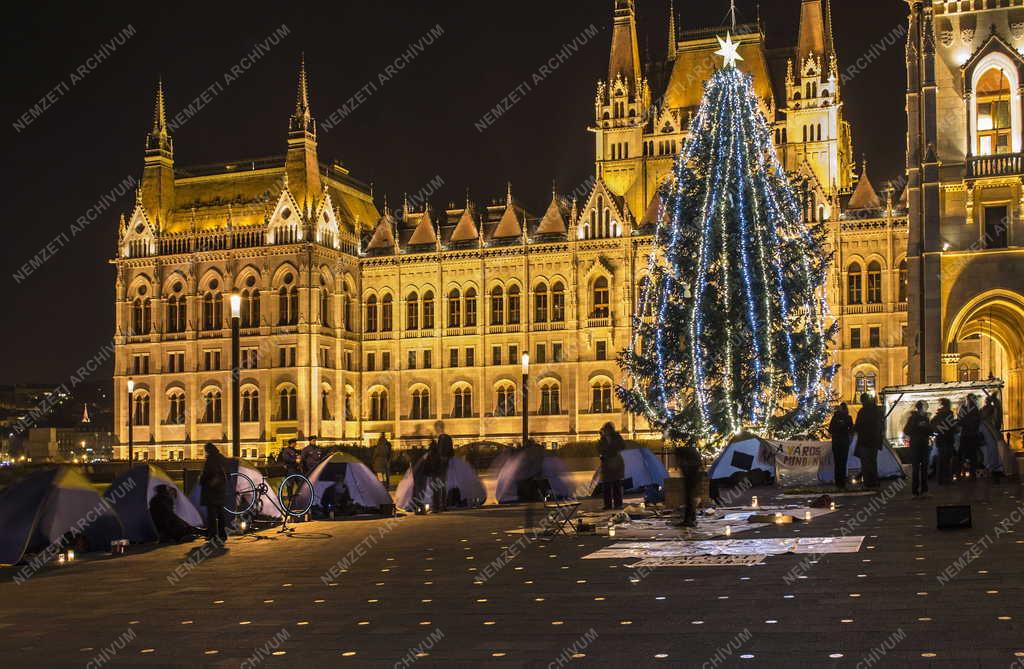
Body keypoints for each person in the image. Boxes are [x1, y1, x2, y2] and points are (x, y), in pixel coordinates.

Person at [199, 442, 229, 545]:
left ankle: (212, 535)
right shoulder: (221, 458)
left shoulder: (210, 460)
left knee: (211, 515)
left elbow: (207, 473)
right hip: (220, 489)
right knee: (220, 514)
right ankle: (222, 534)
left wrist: (201, 480)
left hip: (211, 490)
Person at [904, 401, 934, 497]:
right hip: (919, 444)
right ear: (921, 408)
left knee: (921, 468)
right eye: (925, 407)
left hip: (919, 444)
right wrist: (920, 427)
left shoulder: (921, 418)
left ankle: (919, 491)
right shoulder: (916, 418)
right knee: (919, 468)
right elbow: (907, 430)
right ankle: (918, 491)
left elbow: (930, 431)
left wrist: (926, 428)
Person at [854, 393, 884, 489]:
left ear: (863, 401)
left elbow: (858, 426)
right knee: (873, 462)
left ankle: (868, 483)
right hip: (874, 441)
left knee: (865, 463)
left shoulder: (863, 411)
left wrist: (853, 429)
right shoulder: (876, 410)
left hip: (864, 441)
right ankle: (874, 481)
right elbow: (881, 426)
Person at [597, 422, 626, 510]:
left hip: (615, 463)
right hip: (606, 463)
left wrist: (611, 450)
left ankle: (618, 504)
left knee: (616, 484)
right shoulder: (602, 439)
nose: (606, 432)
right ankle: (608, 505)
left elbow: (622, 446)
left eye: (607, 430)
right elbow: (599, 449)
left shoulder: (617, 437)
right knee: (606, 486)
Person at [931, 398, 958, 485]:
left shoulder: (937, 416)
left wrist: (937, 432)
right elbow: (953, 428)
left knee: (942, 461)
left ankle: (941, 480)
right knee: (946, 461)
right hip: (947, 440)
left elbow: (932, 427)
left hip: (941, 440)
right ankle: (946, 479)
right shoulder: (948, 415)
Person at [828, 404, 854, 489]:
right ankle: (842, 481)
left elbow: (830, 430)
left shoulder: (835, 417)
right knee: (843, 462)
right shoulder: (848, 418)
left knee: (837, 462)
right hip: (844, 443)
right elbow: (851, 430)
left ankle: (838, 481)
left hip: (836, 442)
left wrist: (837, 431)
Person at [959, 395, 983, 478]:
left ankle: (963, 473)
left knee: (965, 455)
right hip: (971, 435)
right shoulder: (974, 409)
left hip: (967, 435)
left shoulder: (966, 408)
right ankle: (970, 473)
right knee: (972, 455)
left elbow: (960, 421)